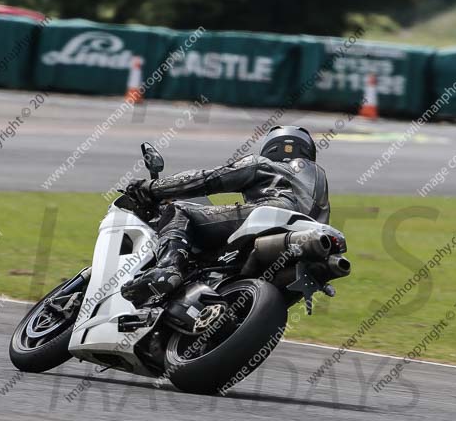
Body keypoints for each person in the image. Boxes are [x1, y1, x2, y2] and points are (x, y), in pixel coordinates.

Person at [121, 125, 330, 307]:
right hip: (309, 247)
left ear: (271, 147)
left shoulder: (266, 165)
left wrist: (152, 188)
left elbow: (207, 179)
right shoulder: (319, 182)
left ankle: (168, 268)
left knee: (178, 210)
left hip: (271, 215)